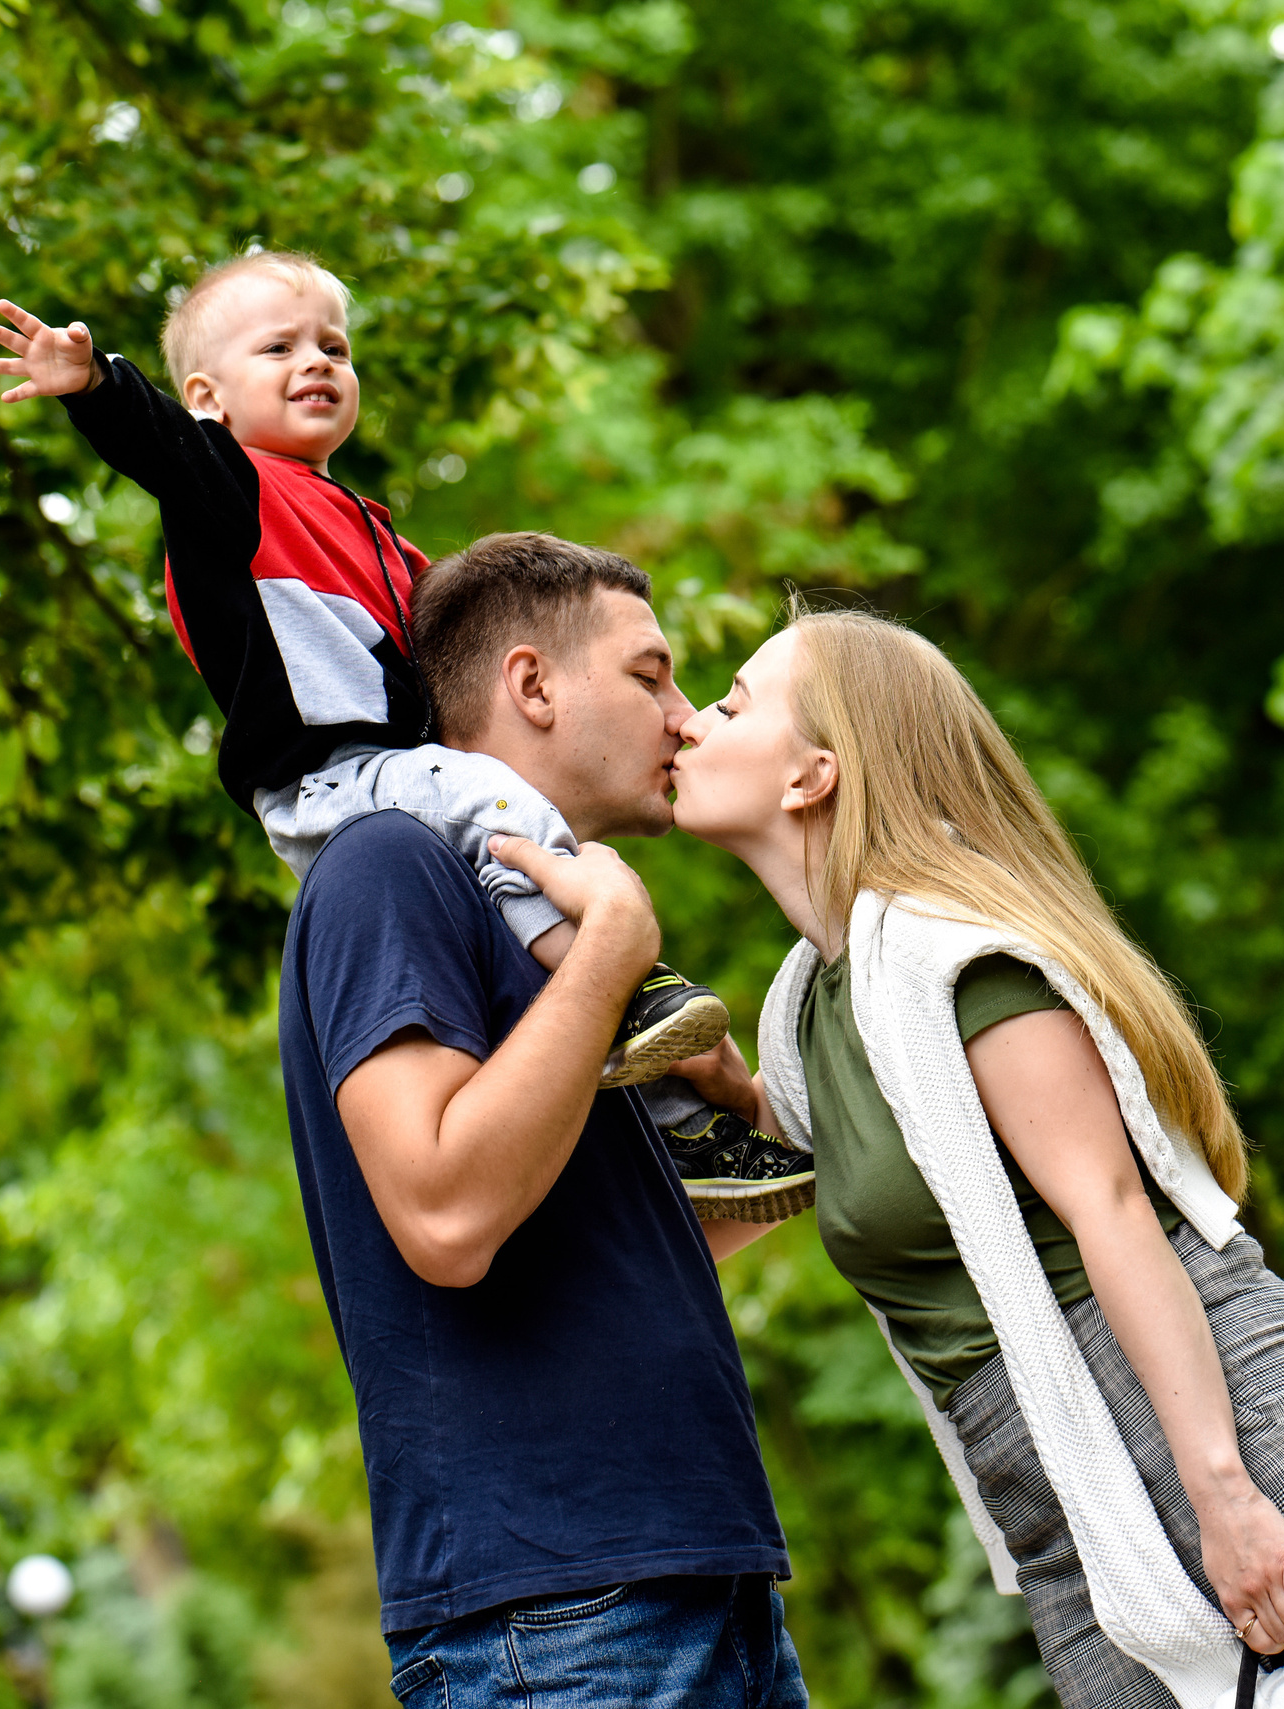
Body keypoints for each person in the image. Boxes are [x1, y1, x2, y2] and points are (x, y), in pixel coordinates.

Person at [667, 608, 1284, 1709]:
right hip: (1062, 1505)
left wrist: (1224, 1492)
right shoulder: (813, 1007)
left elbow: (1112, 1210)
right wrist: (727, 1088)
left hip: (1228, 1443)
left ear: (814, 774)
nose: (691, 721)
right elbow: (819, 1174)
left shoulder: (955, 960)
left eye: (731, 702)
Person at [0, 254, 807, 1211]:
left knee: (524, 885)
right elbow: (158, 447)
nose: (315, 361)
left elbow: (466, 634)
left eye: (333, 345)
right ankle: (620, 982)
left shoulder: (374, 531)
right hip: (329, 772)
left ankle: (687, 1134)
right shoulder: (227, 491)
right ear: (207, 398)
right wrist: (96, 385)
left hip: (403, 770)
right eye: (278, 348)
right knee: (512, 818)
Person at [277, 532, 811, 1708]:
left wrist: (756, 1130)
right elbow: (445, 1215)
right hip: (556, 1620)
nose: (682, 716)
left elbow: (612, 1244)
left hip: (703, 1584)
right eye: (649, 674)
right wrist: (612, 952)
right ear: (531, 684)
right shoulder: (388, 865)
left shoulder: (545, 932)